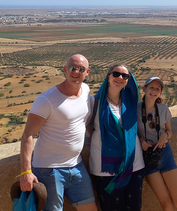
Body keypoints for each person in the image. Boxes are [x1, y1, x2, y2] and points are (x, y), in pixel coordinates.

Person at [19, 54, 97, 211]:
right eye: (72, 68)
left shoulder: (86, 91)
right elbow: (28, 135)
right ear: (65, 70)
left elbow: (83, 120)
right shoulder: (46, 100)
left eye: (81, 69)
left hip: (77, 165)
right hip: (49, 169)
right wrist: (26, 171)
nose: (76, 71)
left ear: (87, 72)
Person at [88, 64, 145, 211]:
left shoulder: (131, 103)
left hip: (134, 164)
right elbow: (85, 126)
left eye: (124, 76)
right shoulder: (94, 103)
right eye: (116, 74)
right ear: (108, 76)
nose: (120, 78)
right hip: (105, 168)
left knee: (134, 207)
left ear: (128, 80)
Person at [138, 76, 177, 211]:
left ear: (160, 93)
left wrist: (164, 136)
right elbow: (131, 132)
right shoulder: (136, 109)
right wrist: (141, 141)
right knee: (166, 204)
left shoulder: (163, 109)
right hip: (148, 158)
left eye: (157, 89)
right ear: (144, 89)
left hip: (165, 154)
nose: (154, 91)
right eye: (151, 88)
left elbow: (169, 131)